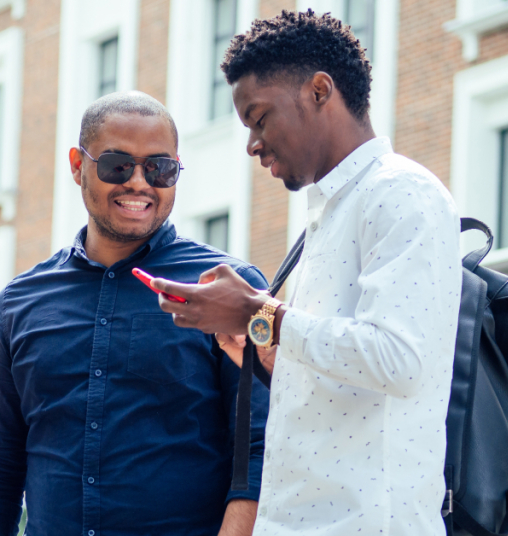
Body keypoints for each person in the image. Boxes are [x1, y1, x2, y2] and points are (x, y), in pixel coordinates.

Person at [151, 10, 462, 536]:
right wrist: (270, 352)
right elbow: (353, 368)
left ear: (320, 90)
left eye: (259, 117)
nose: (252, 143)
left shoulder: (402, 192)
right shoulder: (331, 211)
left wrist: (261, 314)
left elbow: (401, 360)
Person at [0, 91, 271, 536]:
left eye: (159, 168)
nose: (138, 182)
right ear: (78, 165)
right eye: (117, 165)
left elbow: (261, 452)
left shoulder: (229, 291)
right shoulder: (18, 304)